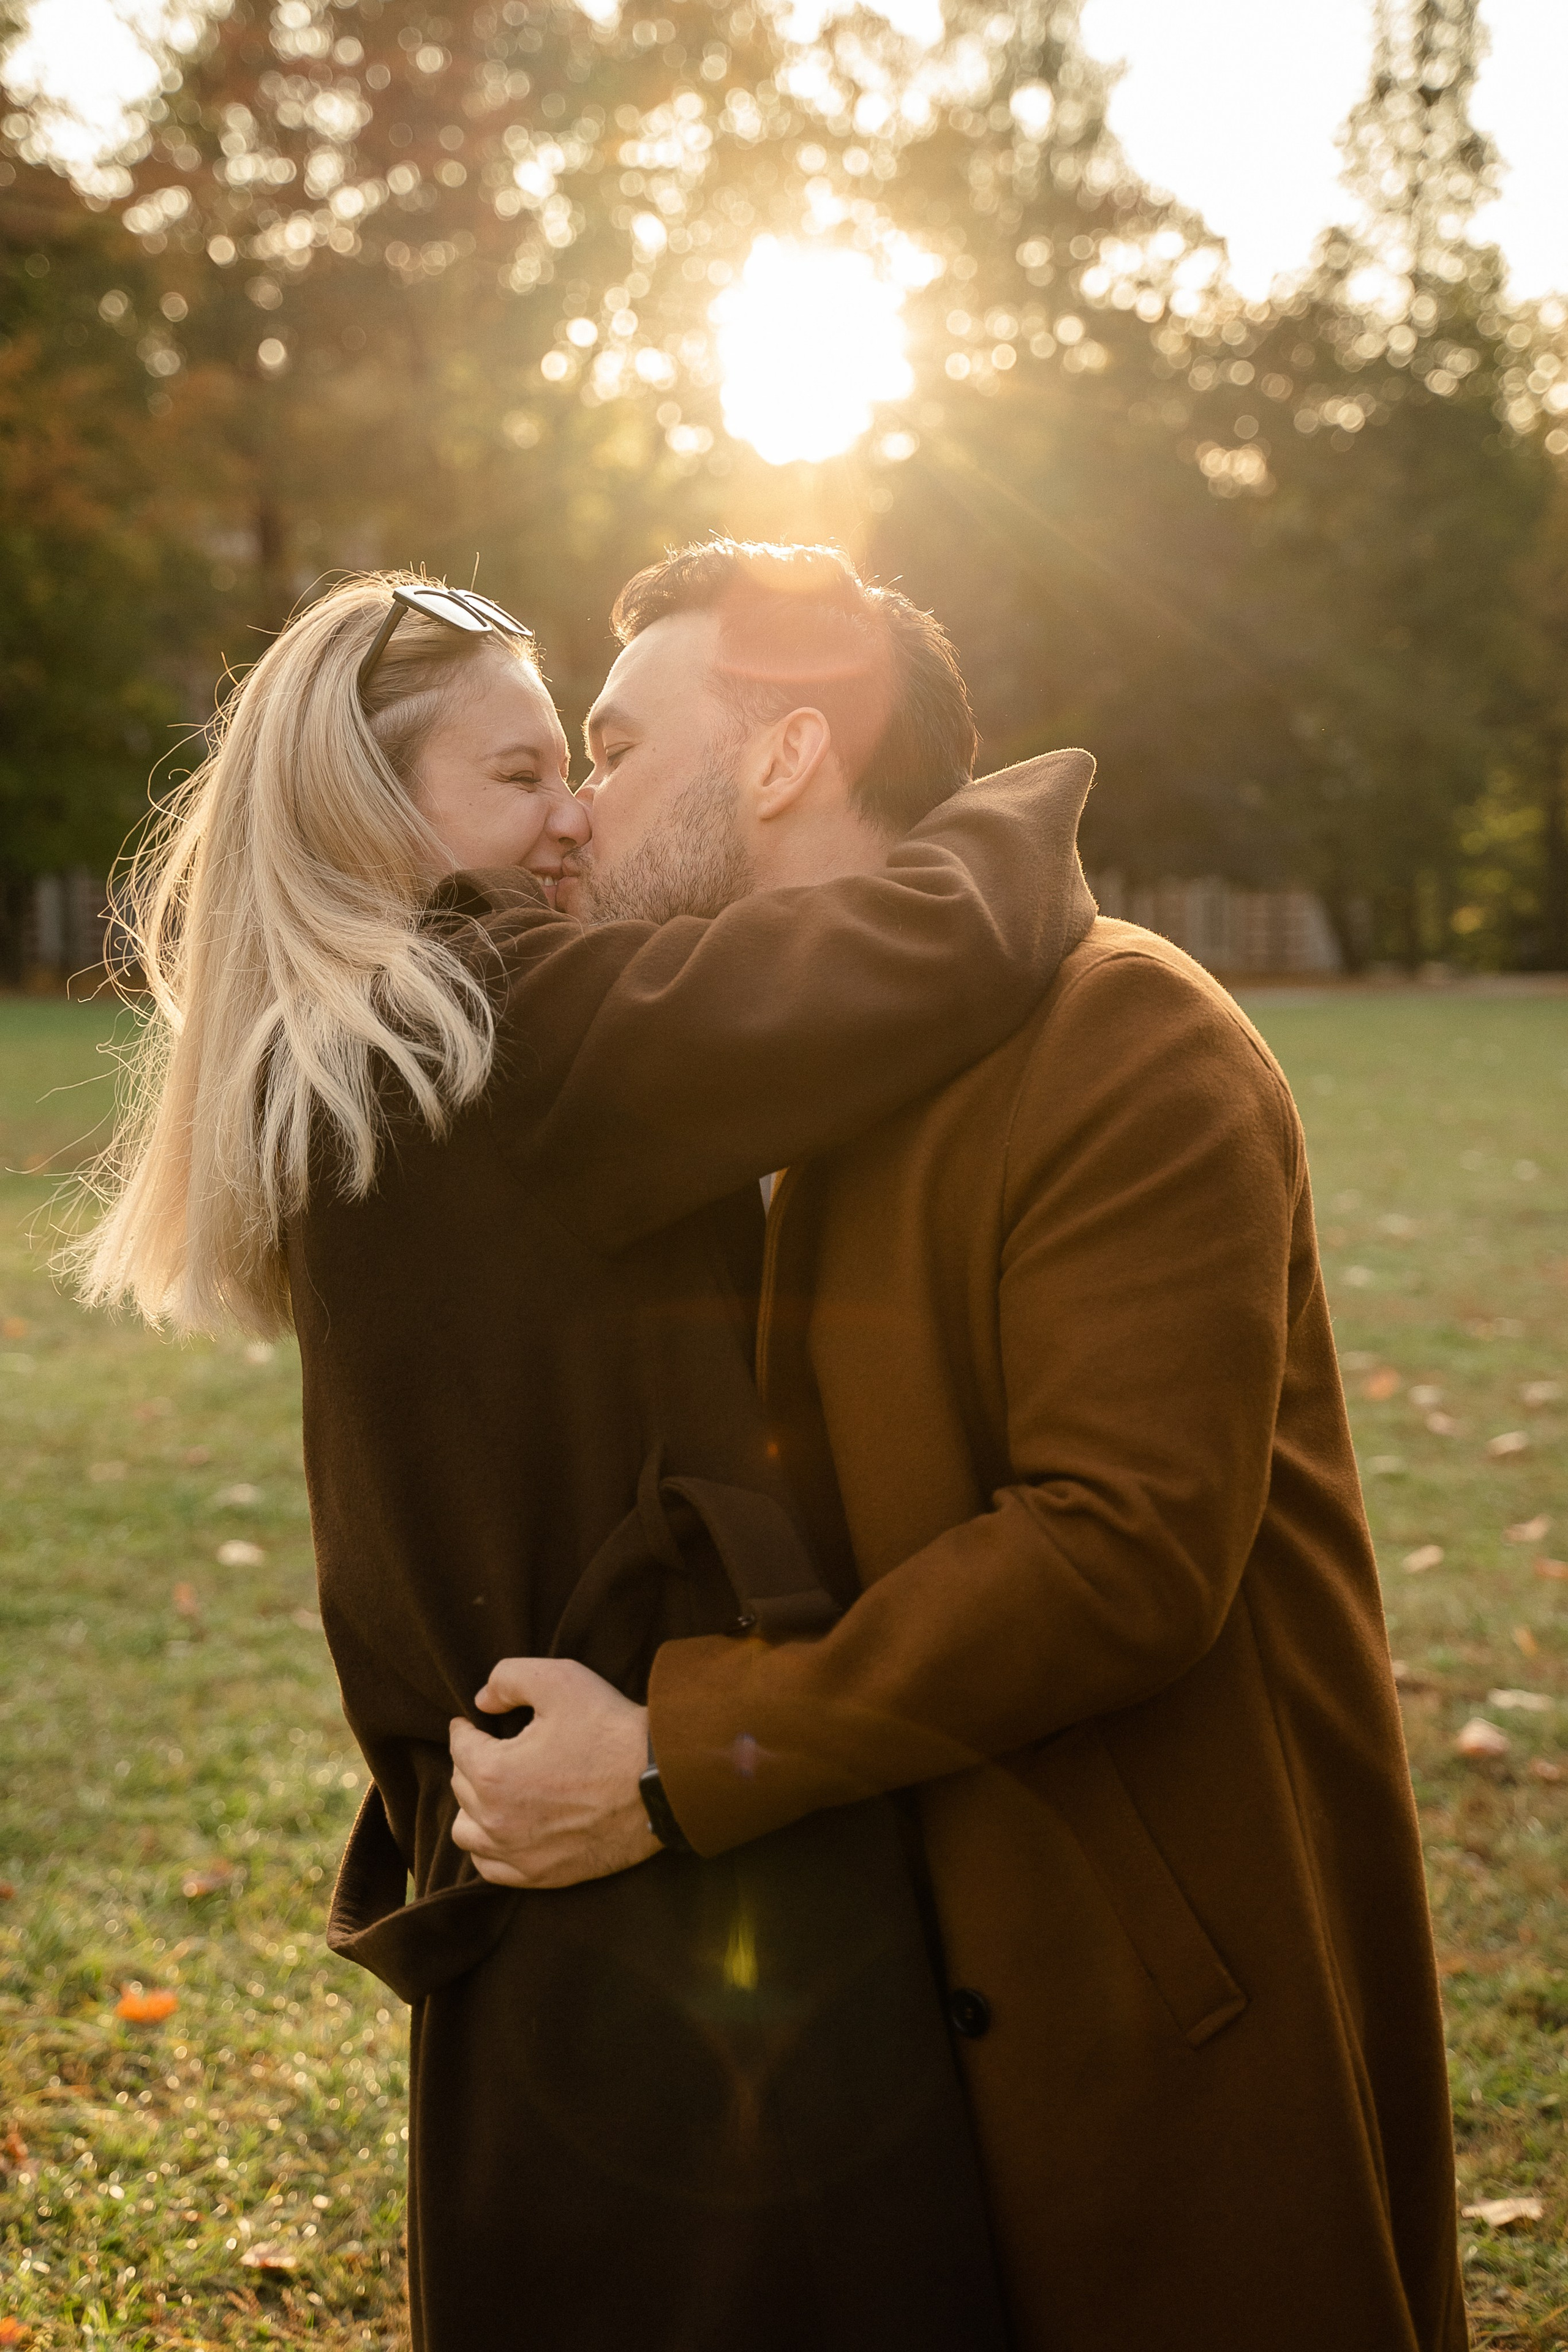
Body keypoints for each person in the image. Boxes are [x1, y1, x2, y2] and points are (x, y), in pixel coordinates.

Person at [453, 542, 1469, 2352]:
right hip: (878, 1999)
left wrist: (676, 1756)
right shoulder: (762, 1076)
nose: (576, 820)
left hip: (1146, 2003)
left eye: (611, 752)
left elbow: (1118, 1554)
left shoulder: (1127, 1038)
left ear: (780, 761)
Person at [73, 560, 1096, 2351]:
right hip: (649, 1817)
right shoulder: (491, 1030)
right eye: (525, 775)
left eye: (585, 765)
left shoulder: (353, 1051)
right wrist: (1026, 803)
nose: (574, 821)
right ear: (368, 811)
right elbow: (913, 957)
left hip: (534, 1804)